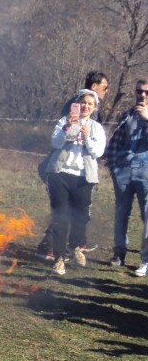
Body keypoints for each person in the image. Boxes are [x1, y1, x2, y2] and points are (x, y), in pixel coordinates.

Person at [37, 70, 109, 259]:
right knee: (60, 213)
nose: (86, 106)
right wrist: (68, 127)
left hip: (82, 176)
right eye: (104, 88)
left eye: (90, 104)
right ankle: (54, 251)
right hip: (60, 172)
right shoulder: (68, 117)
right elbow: (57, 142)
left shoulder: (96, 127)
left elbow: (98, 152)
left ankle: (75, 245)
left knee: (79, 216)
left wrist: (87, 139)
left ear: (94, 108)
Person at [106, 78, 148, 276]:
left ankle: (145, 260)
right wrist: (114, 167)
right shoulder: (127, 115)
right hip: (124, 168)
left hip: (146, 170)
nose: (143, 95)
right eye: (140, 91)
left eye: (147, 92)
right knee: (121, 212)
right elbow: (116, 141)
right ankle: (119, 252)